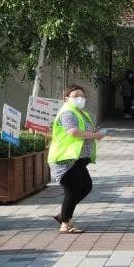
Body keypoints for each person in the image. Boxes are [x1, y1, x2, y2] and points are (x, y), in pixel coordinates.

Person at [48, 85, 105, 234]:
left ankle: (63, 215)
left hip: (77, 160)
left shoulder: (81, 113)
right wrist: (94, 136)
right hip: (66, 160)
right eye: (75, 95)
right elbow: (72, 132)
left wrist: (95, 132)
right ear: (66, 99)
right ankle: (66, 224)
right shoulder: (67, 112)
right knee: (72, 191)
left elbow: (85, 130)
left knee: (86, 187)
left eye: (82, 95)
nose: (80, 98)